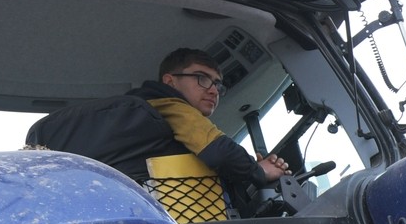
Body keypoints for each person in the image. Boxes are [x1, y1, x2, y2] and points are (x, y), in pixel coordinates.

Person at [27, 48, 289, 215]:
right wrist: (258, 171)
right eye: (202, 78)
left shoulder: (150, 126)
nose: (212, 89)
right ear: (169, 81)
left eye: (218, 84)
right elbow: (218, 151)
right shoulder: (170, 104)